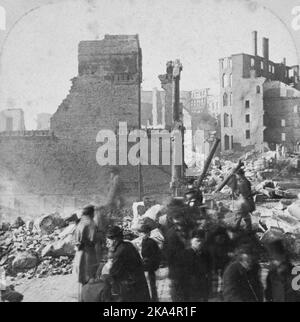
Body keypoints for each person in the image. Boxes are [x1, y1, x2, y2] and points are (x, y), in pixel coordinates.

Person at [105, 226, 150, 302]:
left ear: (115, 239)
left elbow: (113, 272)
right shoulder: (128, 245)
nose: (107, 242)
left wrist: (109, 263)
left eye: (108, 240)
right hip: (139, 282)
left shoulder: (120, 252)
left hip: (130, 287)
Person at [163, 210, 190, 302]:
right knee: (177, 292)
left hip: (186, 268)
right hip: (176, 268)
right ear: (173, 221)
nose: (179, 222)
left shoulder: (186, 231)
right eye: (177, 219)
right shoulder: (171, 234)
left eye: (181, 219)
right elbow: (167, 252)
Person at [74, 205, 98, 302]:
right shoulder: (91, 223)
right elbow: (93, 239)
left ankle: (82, 299)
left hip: (79, 253)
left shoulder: (80, 222)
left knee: (82, 278)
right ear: (92, 213)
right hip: (88, 253)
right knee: (89, 276)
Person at [185, 230, 212, 302]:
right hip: (191, 285)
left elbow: (209, 268)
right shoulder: (186, 254)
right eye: (197, 241)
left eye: (202, 241)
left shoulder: (206, 253)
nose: (200, 243)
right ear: (191, 241)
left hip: (203, 283)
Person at [139, 224, 161, 302]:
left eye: (145, 233)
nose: (143, 234)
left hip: (150, 264)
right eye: (142, 233)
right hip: (146, 263)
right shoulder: (143, 241)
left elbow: (157, 254)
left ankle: (154, 299)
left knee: (152, 283)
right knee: (148, 283)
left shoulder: (151, 242)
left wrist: (151, 262)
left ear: (148, 233)